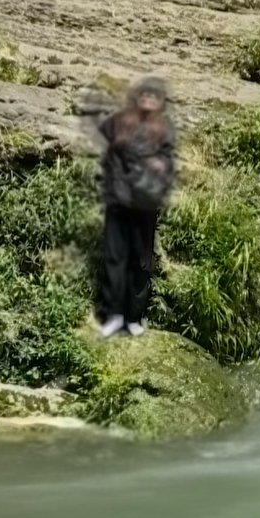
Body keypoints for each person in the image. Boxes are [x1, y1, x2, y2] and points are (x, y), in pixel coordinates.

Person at [96, 78, 176, 338]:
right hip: (119, 200)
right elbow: (108, 145)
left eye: (154, 95)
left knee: (141, 261)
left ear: (160, 102)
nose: (148, 99)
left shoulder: (164, 129)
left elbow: (167, 162)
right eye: (144, 94)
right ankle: (113, 315)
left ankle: (133, 317)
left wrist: (159, 166)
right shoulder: (118, 121)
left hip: (145, 203)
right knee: (114, 258)